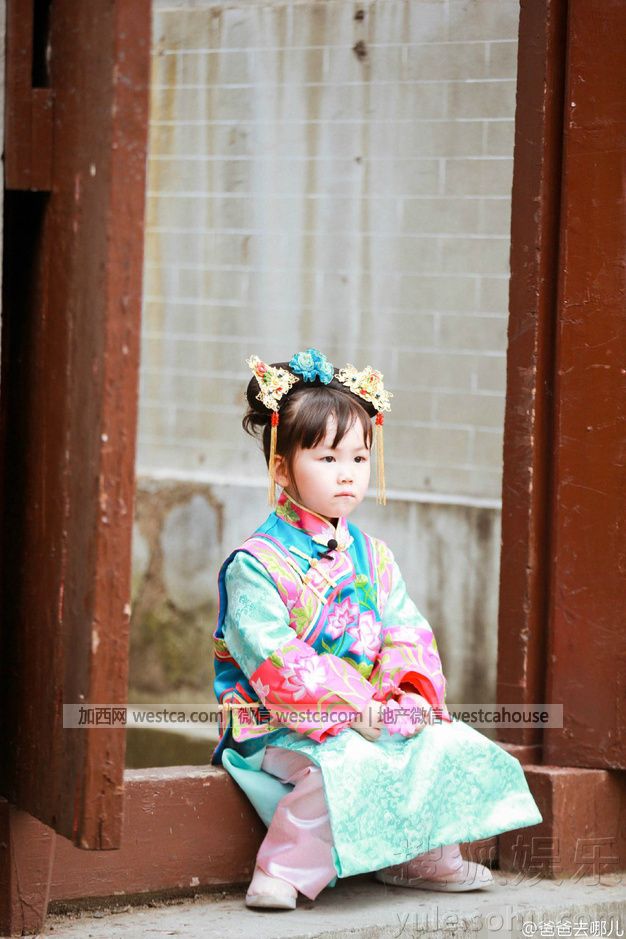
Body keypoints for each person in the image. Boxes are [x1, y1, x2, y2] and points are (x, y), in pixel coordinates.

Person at [211, 348, 542, 910]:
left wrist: (405, 697)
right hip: (277, 725)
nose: (347, 473)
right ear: (281, 468)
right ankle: (282, 868)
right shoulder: (256, 564)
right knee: (346, 761)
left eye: (359, 458)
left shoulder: (374, 556)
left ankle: (420, 855)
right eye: (327, 457)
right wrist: (356, 708)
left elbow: (407, 633)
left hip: (369, 712)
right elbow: (274, 658)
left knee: (438, 739)